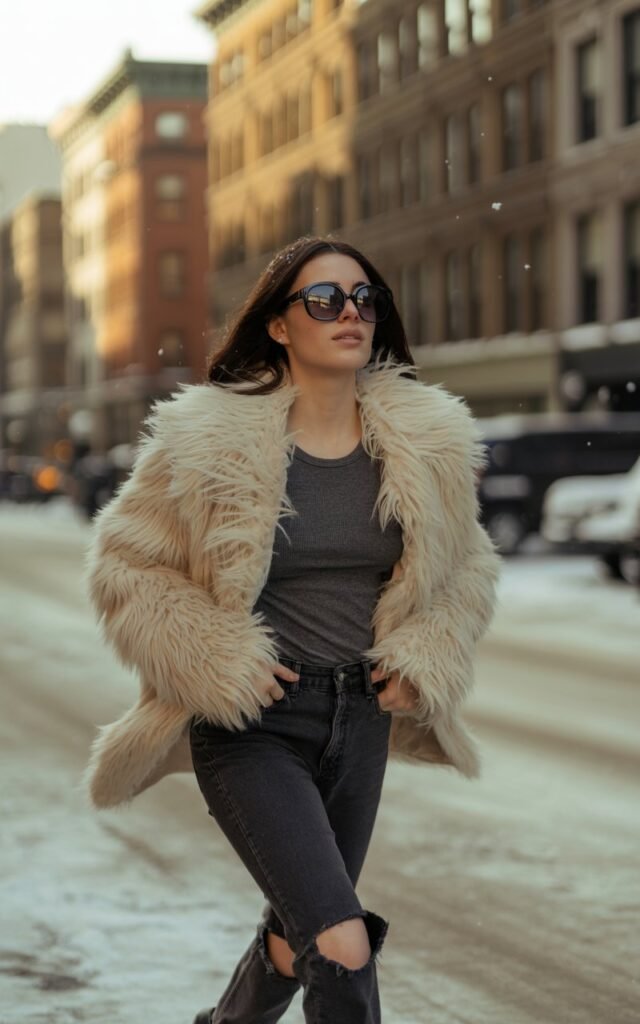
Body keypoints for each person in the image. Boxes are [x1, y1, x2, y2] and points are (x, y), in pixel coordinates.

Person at [84, 235, 501, 1024]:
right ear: (278, 325)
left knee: (296, 937)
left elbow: (467, 569)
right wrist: (215, 658)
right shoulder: (207, 441)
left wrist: (425, 655)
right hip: (254, 724)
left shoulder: (427, 443)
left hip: (362, 719)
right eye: (324, 299)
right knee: (342, 942)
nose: (350, 313)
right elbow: (126, 566)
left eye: (364, 298)